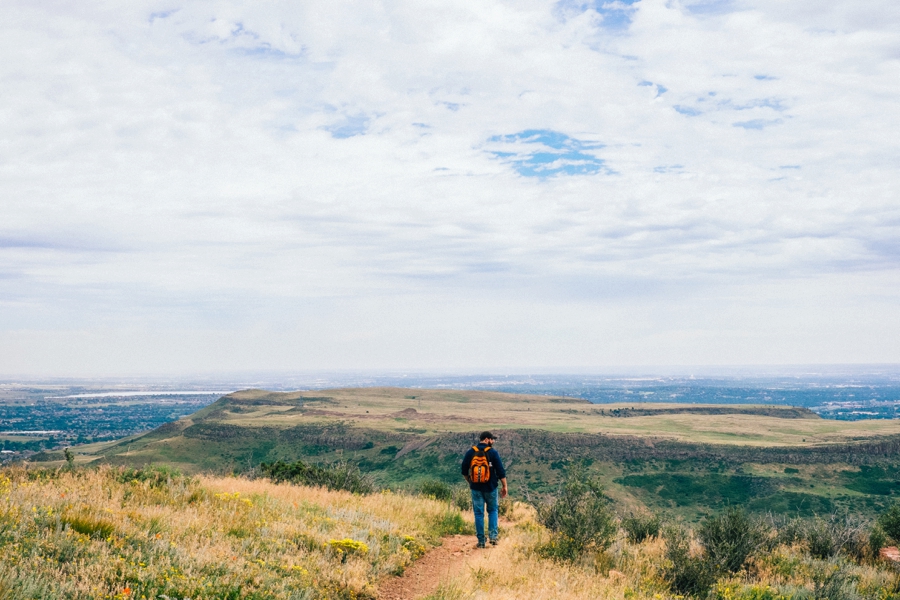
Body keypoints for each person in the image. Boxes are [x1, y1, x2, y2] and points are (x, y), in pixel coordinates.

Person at [461, 431, 508, 548]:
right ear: (487, 439)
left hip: (476, 488)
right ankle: (493, 537)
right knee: (493, 511)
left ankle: (481, 541)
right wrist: (504, 486)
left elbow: (464, 471)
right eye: (492, 439)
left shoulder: (471, 452)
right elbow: (501, 471)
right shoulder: (493, 452)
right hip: (491, 487)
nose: (493, 442)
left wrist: (470, 482)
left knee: (478, 513)